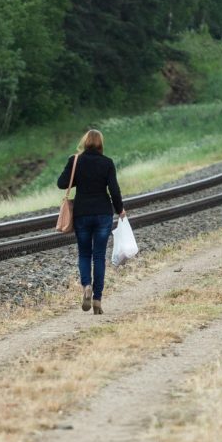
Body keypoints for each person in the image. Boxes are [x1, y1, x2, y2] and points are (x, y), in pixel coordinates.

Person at [57, 129, 126, 314]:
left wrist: (73, 169)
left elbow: (61, 183)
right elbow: (114, 190)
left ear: (85, 142)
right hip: (103, 213)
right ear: (100, 143)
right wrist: (120, 209)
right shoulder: (107, 163)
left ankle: (86, 285)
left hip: (82, 214)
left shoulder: (76, 161)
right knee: (99, 256)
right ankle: (97, 299)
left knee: (85, 254)